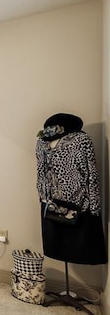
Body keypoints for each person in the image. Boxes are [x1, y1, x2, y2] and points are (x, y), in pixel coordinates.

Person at [36, 113, 106, 265]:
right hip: (50, 202)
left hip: (79, 203)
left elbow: (91, 173)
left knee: (79, 247)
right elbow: (40, 172)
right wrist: (42, 195)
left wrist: (94, 205)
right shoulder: (41, 142)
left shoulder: (81, 140)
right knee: (55, 246)